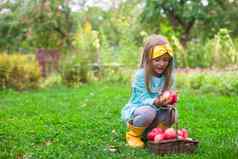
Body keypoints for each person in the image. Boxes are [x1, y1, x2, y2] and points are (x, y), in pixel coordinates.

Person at [121, 34, 177, 148]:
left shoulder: (169, 77)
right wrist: (156, 102)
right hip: (140, 112)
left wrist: (170, 100)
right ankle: (133, 135)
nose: (161, 64)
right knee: (148, 111)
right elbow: (141, 100)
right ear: (148, 59)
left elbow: (168, 97)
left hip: (156, 116)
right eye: (157, 60)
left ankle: (154, 134)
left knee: (172, 113)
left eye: (165, 60)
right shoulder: (141, 76)